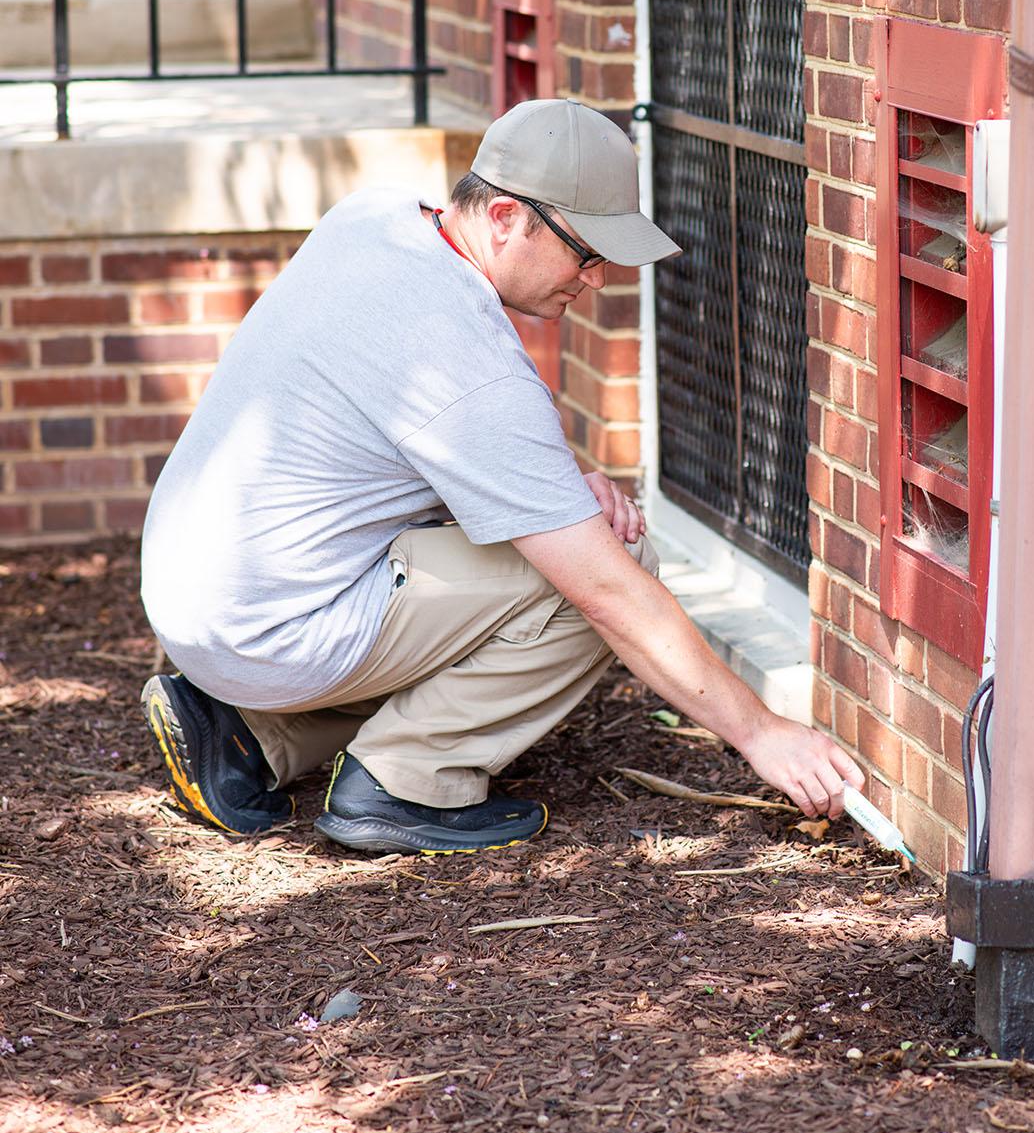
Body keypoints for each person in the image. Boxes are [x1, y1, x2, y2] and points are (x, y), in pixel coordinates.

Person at [140, 97, 861, 855]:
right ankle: (403, 781)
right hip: (274, 627)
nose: (597, 280)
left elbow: (408, 430)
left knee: (547, 548)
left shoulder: (373, 219)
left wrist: (547, 482)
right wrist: (762, 732)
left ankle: (250, 738)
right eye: (585, 253)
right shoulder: (468, 368)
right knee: (612, 568)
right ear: (508, 216)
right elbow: (610, 594)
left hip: (204, 592)